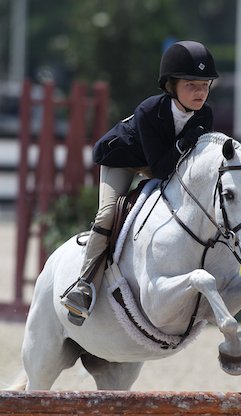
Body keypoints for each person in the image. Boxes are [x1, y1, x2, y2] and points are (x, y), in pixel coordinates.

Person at [61, 40, 219, 326]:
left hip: (163, 161)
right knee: (109, 213)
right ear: (171, 85)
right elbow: (159, 168)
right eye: (191, 85)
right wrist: (186, 140)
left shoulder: (205, 114)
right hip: (122, 158)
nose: (200, 92)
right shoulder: (149, 111)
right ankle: (83, 284)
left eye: (205, 85)